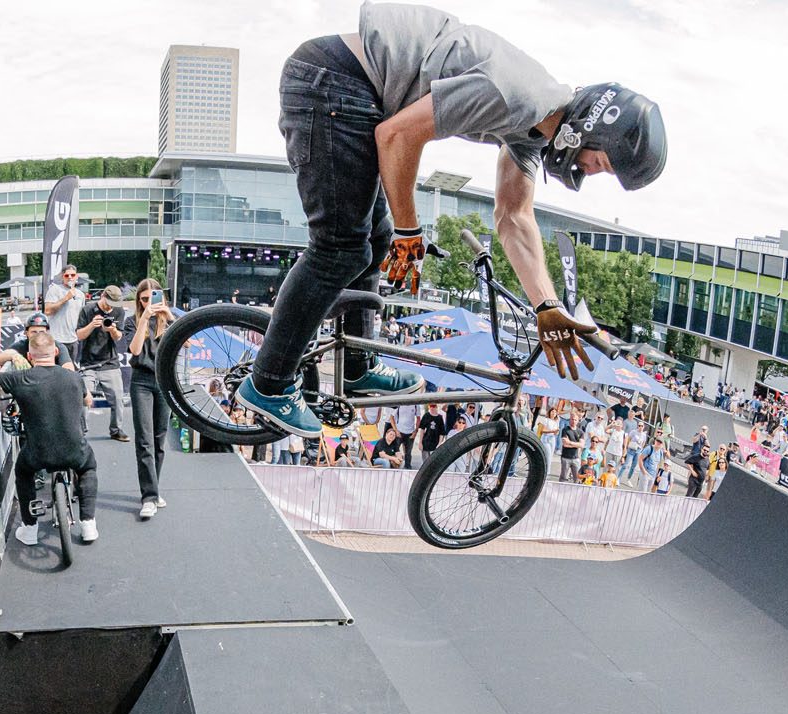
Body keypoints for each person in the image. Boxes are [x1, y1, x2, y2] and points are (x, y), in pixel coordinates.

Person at [236, 6, 666, 436]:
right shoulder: (516, 96)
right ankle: (269, 383)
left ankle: (356, 367)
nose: (591, 172)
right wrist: (411, 229)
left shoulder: (531, 127)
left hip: (352, 91)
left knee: (375, 237)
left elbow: (514, 217)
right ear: (587, 132)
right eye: (602, 162)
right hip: (332, 83)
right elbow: (397, 136)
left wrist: (548, 306)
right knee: (340, 247)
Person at [0, 330, 99, 546]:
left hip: (38, 453)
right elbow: (88, 401)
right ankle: (88, 523)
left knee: (23, 472)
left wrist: (11, 357)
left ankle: (30, 528)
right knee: (88, 468)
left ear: (30, 356)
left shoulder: (21, 378)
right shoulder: (73, 377)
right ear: (55, 352)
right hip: (74, 449)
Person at [125, 278, 174, 519]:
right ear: (138, 300)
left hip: (164, 381)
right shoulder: (131, 321)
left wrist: (169, 316)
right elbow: (134, 350)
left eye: (153, 297)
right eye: (144, 299)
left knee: (159, 439)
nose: (149, 302)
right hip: (141, 381)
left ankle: (154, 489)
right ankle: (149, 496)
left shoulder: (168, 319)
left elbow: (185, 344)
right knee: (144, 439)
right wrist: (144, 318)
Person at [77, 286, 130, 442]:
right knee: (83, 398)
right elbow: (79, 335)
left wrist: (112, 330)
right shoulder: (87, 310)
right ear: (102, 296)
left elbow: (119, 337)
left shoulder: (118, 311)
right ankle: (81, 432)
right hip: (88, 363)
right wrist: (92, 325)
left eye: (113, 304)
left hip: (110, 362)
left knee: (118, 398)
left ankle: (116, 430)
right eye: (108, 303)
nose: (110, 307)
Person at [44, 263, 86, 365]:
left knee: (71, 368)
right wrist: (66, 298)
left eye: (73, 275)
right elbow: (48, 310)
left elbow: (81, 317)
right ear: (63, 277)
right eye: (67, 275)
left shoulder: (80, 295)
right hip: (57, 338)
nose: (70, 278)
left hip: (73, 339)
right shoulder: (54, 290)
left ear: (76, 277)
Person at [558, 411, 586, 481]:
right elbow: (565, 444)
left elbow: (581, 444)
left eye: (575, 420)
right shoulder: (565, 430)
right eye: (572, 419)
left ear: (578, 421)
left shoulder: (580, 432)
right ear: (570, 420)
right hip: (565, 457)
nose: (573, 421)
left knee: (576, 478)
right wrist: (576, 444)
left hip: (575, 458)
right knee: (563, 477)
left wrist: (570, 442)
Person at [685, 425, 710, 497]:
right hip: (694, 454)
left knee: (699, 469)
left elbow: (708, 445)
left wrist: (705, 437)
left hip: (701, 456)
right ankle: (689, 483)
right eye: (703, 429)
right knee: (691, 469)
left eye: (705, 430)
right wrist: (700, 434)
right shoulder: (697, 434)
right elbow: (694, 440)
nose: (703, 431)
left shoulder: (705, 438)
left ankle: (694, 483)